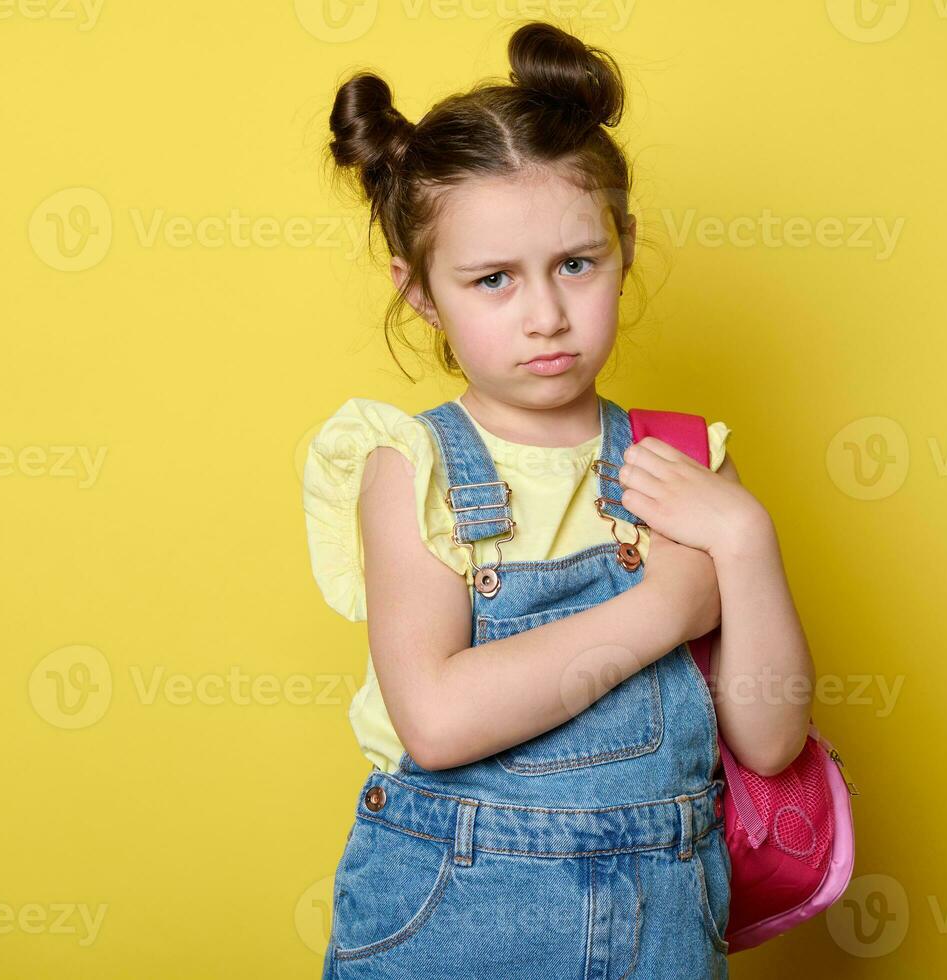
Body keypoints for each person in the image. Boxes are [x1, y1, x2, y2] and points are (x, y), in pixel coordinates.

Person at [301, 20, 814, 978]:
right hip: (454, 919)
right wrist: (664, 606)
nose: (544, 315)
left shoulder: (685, 463)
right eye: (492, 280)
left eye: (576, 264)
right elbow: (439, 720)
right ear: (419, 293)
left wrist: (745, 542)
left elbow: (769, 737)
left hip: (661, 925)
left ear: (623, 243)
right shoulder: (413, 466)